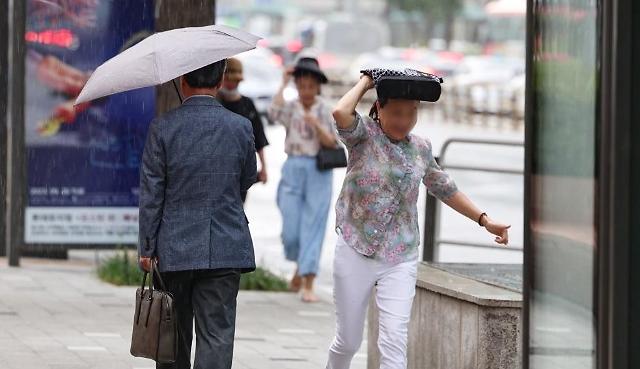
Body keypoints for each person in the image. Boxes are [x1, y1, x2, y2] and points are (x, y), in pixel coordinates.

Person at [325, 69, 511, 369]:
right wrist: (366, 82)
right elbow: (339, 111)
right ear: (379, 108)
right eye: (396, 112)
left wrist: (484, 220)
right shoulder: (363, 137)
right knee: (348, 341)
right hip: (355, 248)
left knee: (394, 340)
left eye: (411, 113)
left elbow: (445, 188)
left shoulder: (421, 148)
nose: (404, 121)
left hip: (400, 255)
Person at [138, 59, 257, 369]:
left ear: (182, 82)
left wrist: (147, 248)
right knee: (217, 335)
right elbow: (247, 179)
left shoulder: (162, 128)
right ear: (219, 82)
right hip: (226, 246)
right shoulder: (241, 126)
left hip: (174, 249)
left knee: (172, 337)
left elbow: (152, 193)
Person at [268, 57, 338, 303]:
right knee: (291, 228)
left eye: (311, 85)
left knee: (314, 224)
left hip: (318, 169)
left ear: (317, 86)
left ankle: (308, 280)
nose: (306, 91)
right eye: (302, 85)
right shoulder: (291, 106)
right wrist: (283, 81)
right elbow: (273, 113)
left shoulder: (325, 109)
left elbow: (333, 143)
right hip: (293, 165)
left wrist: (317, 125)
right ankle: (299, 265)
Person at [219, 57, 269, 202]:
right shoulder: (215, 102)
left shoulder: (247, 105)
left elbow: (259, 137)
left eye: (235, 81)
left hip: (241, 167)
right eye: (228, 80)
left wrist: (264, 167)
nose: (231, 84)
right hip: (218, 165)